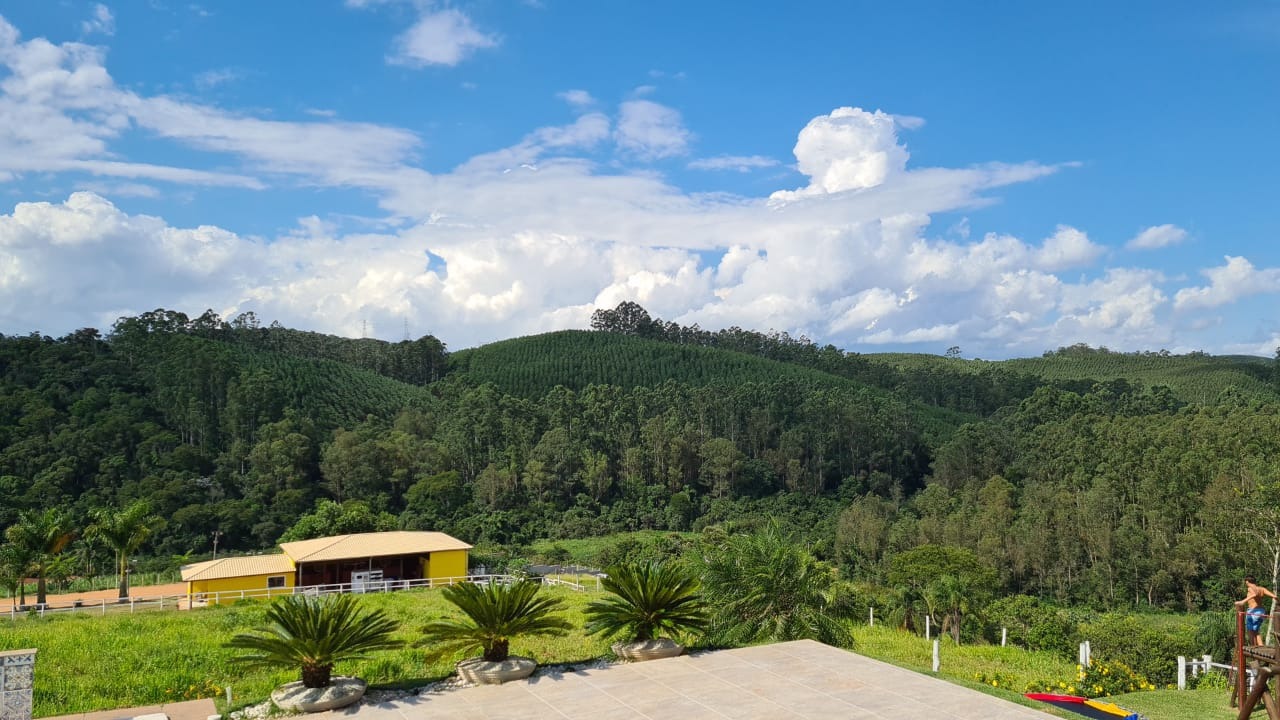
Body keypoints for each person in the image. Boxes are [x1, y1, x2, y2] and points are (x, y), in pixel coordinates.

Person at [1235, 576, 1277, 646]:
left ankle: (1252, 647)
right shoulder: (1262, 589)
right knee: (1256, 631)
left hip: (1253, 611)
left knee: (1250, 631)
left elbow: (1255, 594)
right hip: (1261, 612)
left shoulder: (1250, 588)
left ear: (1247, 582)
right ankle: (1261, 646)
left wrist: (1242, 601)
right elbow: (1274, 596)